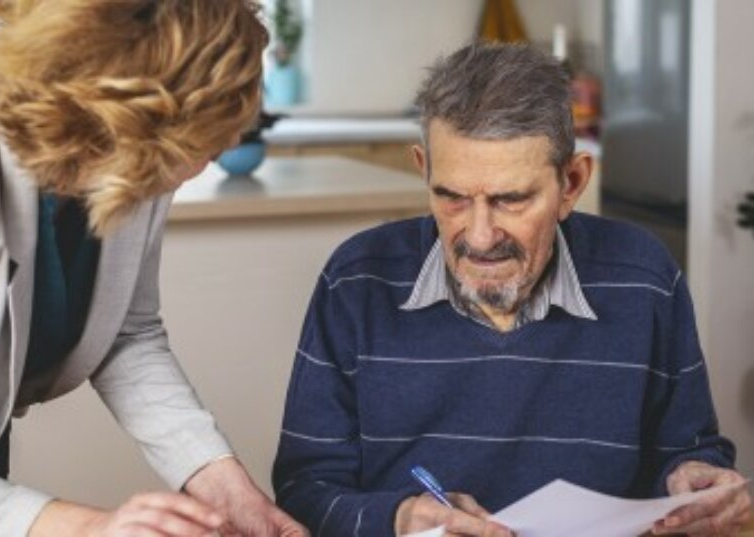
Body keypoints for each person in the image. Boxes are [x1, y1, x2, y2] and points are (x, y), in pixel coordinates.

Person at [272, 43, 751, 536]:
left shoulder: (645, 278)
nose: (479, 237)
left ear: (571, 184)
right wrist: (397, 518)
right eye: (452, 197)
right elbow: (303, 488)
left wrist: (695, 479)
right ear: (424, 170)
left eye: (512, 200)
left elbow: (690, 451)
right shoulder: (356, 281)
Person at [0, 1, 307, 536]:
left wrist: (228, 492)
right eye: (202, 145)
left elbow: (125, 334)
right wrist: (89, 528)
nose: (214, 155)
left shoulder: (125, 156)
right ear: (125, 115)